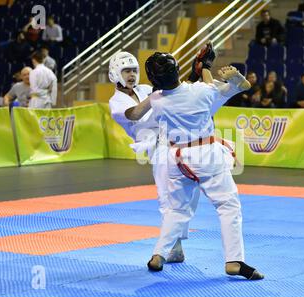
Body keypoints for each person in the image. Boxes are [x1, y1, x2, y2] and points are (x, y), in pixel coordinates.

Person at [125, 51, 264, 280]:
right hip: (205, 154)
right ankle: (234, 261)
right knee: (228, 205)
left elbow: (134, 114)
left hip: (175, 158)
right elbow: (239, 87)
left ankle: (158, 254)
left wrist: (136, 99)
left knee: (176, 210)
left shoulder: (157, 99)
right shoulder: (201, 90)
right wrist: (210, 69)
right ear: (177, 69)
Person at [108, 51, 190, 263]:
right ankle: (175, 246)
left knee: (180, 194)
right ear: (115, 73)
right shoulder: (116, 102)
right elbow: (135, 114)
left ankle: (175, 245)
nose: (131, 75)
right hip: (157, 146)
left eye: (134, 70)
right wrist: (156, 94)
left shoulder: (145, 89)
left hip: (176, 135)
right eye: (126, 71)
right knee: (166, 197)